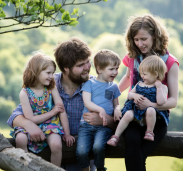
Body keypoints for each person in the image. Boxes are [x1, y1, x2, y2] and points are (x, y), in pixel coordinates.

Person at [7, 38, 116, 171]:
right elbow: (16, 116)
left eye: (88, 62)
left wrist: (106, 120)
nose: (88, 67)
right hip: (48, 164)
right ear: (66, 68)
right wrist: (29, 124)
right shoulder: (47, 83)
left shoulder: (98, 86)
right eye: (81, 65)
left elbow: (118, 121)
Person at [117, 14, 179, 171]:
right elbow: (127, 78)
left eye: (143, 39)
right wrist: (113, 99)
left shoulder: (170, 62)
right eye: (136, 39)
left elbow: (173, 101)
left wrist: (151, 105)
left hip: (156, 118)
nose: (139, 43)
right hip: (134, 115)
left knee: (141, 154)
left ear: (155, 36)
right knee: (131, 146)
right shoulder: (133, 57)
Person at [9, 52, 75, 167]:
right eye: (48, 73)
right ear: (36, 71)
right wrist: (52, 112)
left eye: (53, 73)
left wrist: (67, 134)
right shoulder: (24, 93)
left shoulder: (51, 88)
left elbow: (61, 110)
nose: (51, 76)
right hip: (32, 123)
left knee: (56, 144)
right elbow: (30, 119)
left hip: (50, 124)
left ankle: (54, 170)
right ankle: (25, 168)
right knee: (20, 139)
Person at [107, 55, 168, 146]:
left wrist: (158, 88)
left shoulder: (162, 87)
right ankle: (116, 136)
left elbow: (161, 102)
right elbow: (129, 94)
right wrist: (134, 96)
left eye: (145, 74)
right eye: (141, 73)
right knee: (127, 114)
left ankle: (149, 132)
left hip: (150, 113)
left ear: (155, 74)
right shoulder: (139, 84)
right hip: (136, 110)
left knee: (151, 110)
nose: (142, 76)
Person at [76, 49, 121, 171]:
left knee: (98, 147)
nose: (115, 72)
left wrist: (117, 109)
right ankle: (85, 168)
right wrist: (100, 109)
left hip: (104, 126)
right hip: (86, 125)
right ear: (100, 69)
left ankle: (100, 168)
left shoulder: (114, 86)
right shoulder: (89, 84)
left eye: (117, 68)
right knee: (81, 150)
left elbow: (116, 103)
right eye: (111, 69)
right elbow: (87, 102)